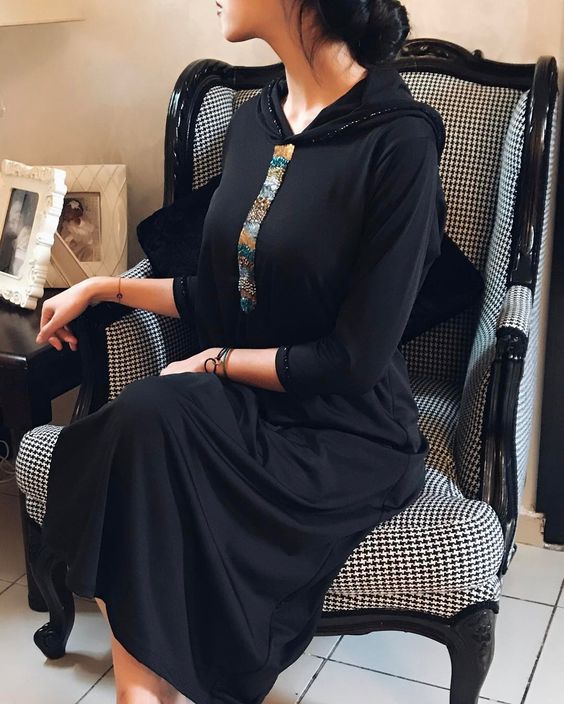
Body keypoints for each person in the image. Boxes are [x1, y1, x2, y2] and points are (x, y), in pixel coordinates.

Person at [35, 0, 447, 702]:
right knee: (145, 421)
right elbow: (223, 296)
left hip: (342, 428)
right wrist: (104, 287)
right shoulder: (256, 121)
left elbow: (354, 360)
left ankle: (144, 692)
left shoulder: (399, 141)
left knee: (149, 419)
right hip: (245, 405)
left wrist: (214, 362)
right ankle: (142, 693)